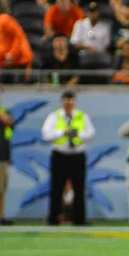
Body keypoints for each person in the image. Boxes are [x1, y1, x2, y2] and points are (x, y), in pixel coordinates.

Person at [41, 90, 95, 226]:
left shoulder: (82, 116)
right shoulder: (54, 116)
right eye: (66, 100)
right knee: (56, 187)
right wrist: (62, 132)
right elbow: (46, 135)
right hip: (60, 155)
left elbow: (90, 134)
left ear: (74, 102)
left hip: (77, 155)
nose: (68, 103)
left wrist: (77, 134)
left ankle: (79, 219)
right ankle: (53, 218)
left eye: (71, 100)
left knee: (79, 188)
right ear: (62, 102)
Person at [0, 85, 13, 225]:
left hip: (1, 155)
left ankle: (0, 216)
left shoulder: (5, 111)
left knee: (0, 189)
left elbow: (9, 122)